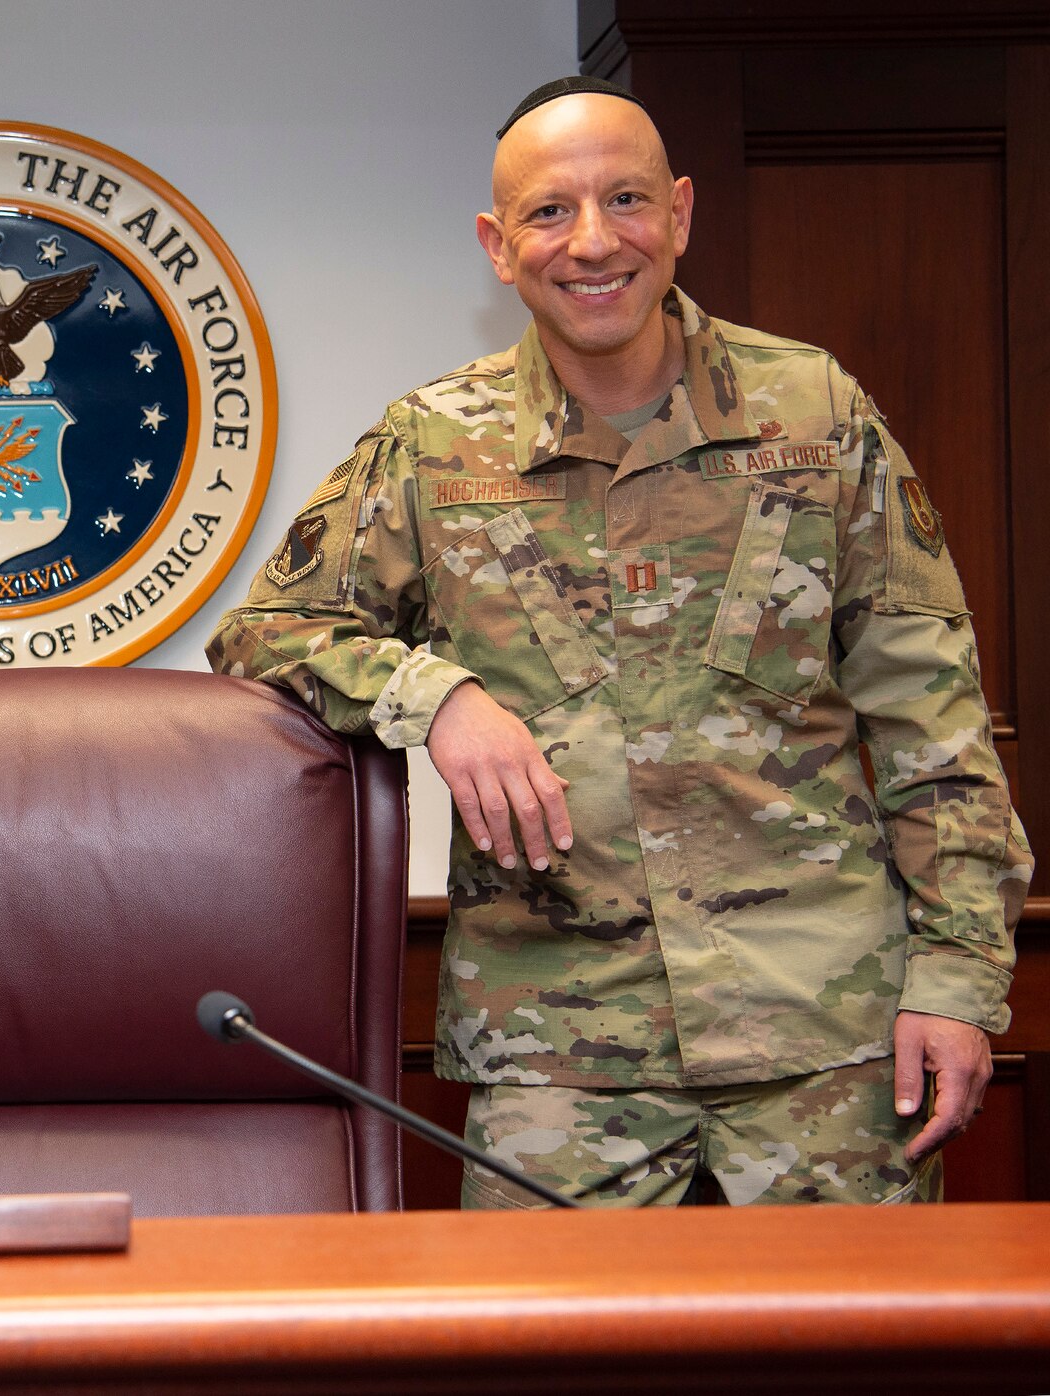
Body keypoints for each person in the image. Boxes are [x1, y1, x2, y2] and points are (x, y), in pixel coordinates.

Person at [208, 77, 1031, 1207]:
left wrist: (955, 975)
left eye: (626, 200)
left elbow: (928, 713)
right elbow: (265, 630)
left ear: (680, 216)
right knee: (537, 1365)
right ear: (498, 247)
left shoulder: (813, 414)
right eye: (549, 212)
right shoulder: (432, 443)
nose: (591, 242)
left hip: (824, 1035)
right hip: (557, 1051)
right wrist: (434, 695)